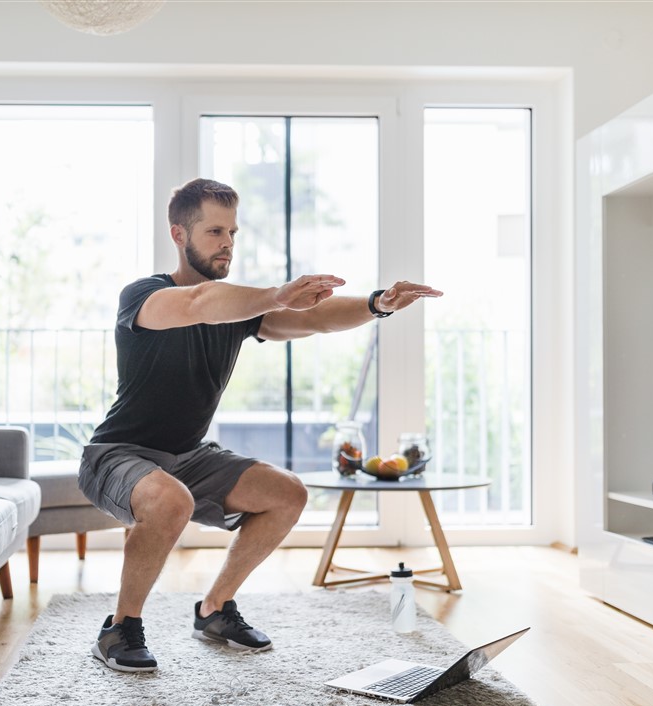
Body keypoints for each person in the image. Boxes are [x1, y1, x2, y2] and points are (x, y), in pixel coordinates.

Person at [79, 178, 442, 672]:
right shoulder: (144, 295)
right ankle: (120, 628)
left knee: (286, 493)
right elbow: (198, 304)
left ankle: (214, 609)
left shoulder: (241, 312)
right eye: (214, 231)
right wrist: (276, 295)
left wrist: (376, 304)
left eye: (232, 232)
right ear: (179, 235)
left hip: (188, 454)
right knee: (170, 500)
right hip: (118, 455)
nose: (227, 242)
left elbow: (315, 320)